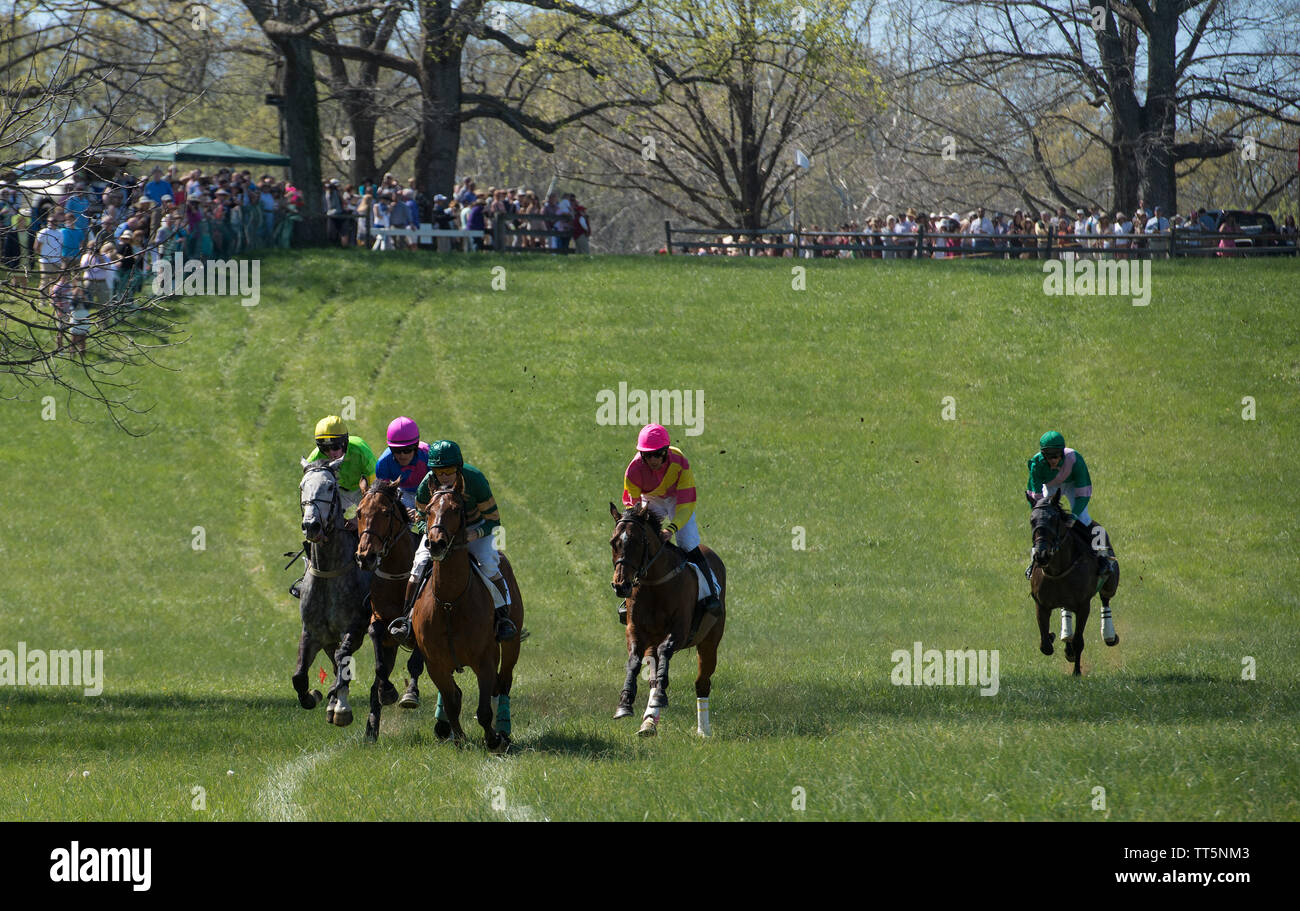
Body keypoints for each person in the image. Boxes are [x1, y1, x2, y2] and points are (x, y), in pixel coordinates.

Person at [388, 439, 518, 644]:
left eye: (449, 471)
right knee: (418, 565)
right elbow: (421, 519)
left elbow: (494, 520)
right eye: (440, 472)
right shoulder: (426, 486)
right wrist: (429, 532)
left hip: (475, 529)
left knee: (490, 563)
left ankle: (503, 618)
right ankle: (406, 619)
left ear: (458, 468)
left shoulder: (475, 480)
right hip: (438, 533)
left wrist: (475, 535)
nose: (445, 476)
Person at [617, 423, 721, 625]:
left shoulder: (680, 462)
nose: (653, 460)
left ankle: (712, 592)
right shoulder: (634, 470)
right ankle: (626, 598)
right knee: (636, 542)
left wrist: (670, 529)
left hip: (677, 499)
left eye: (657, 454)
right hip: (649, 499)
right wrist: (641, 522)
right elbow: (633, 505)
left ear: (666, 451)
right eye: (648, 455)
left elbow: (686, 503)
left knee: (688, 543)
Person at [1025, 431, 1118, 644]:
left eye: (1057, 455)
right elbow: (1034, 495)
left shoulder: (1075, 460)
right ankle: (1035, 562)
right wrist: (1044, 513)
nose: (1053, 460)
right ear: (1043, 455)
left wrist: (1073, 516)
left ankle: (1102, 557)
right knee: (1044, 526)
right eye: (1049, 456)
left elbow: (1084, 493)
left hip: (1075, 487)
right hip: (1051, 489)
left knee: (1086, 522)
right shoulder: (1037, 465)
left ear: (1062, 454)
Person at [289, 415, 377, 598]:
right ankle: (309, 573)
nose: (331, 454)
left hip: (361, 490)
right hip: (336, 492)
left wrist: (356, 519)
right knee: (317, 519)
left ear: (345, 442)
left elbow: (372, 493)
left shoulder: (361, 450)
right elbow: (310, 497)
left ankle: (379, 569)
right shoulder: (315, 458)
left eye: (336, 447)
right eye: (325, 448)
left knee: (371, 522)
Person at [374, 416, 431, 512]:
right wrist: (402, 510)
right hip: (403, 492)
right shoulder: (383, 463)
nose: (402, 455)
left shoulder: (428, 455)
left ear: (416, 447)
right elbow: (384, 497)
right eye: (396, 450)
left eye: (407, 450)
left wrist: (422, 511)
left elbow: (438, 488)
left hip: (428, 492)